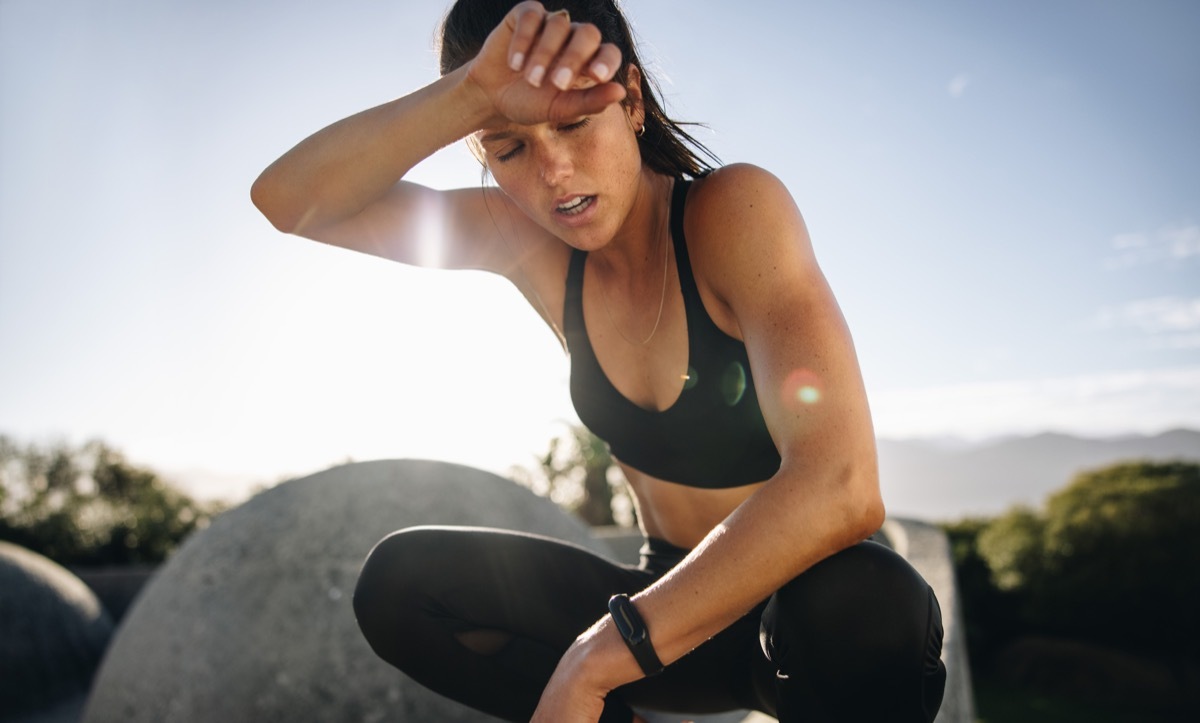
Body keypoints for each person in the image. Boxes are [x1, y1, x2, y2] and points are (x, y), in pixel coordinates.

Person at [251, 1, 946, 721]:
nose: (554, 172)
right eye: (509, 147)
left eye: (574, 123)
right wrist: (471, 95)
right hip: (664, 610)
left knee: (868, 598)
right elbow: (289, 200)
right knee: (401, 584)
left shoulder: (732, 212)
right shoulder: (522, 242)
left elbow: (843, 485)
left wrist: (598, 657)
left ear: (633, 102)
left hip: (795, 632)